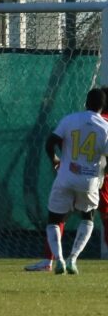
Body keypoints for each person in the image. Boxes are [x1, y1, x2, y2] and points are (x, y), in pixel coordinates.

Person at [25, 86, 108, 272]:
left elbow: (50, 141)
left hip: (66, 176)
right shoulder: (105, 127)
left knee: (54, 219)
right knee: (88, 217)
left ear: (86, 102)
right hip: (89, 181)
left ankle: (57, 259)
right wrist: (103, 173)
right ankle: (73, 258)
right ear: (103, 107)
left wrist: (55, 159)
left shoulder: (70, 119)